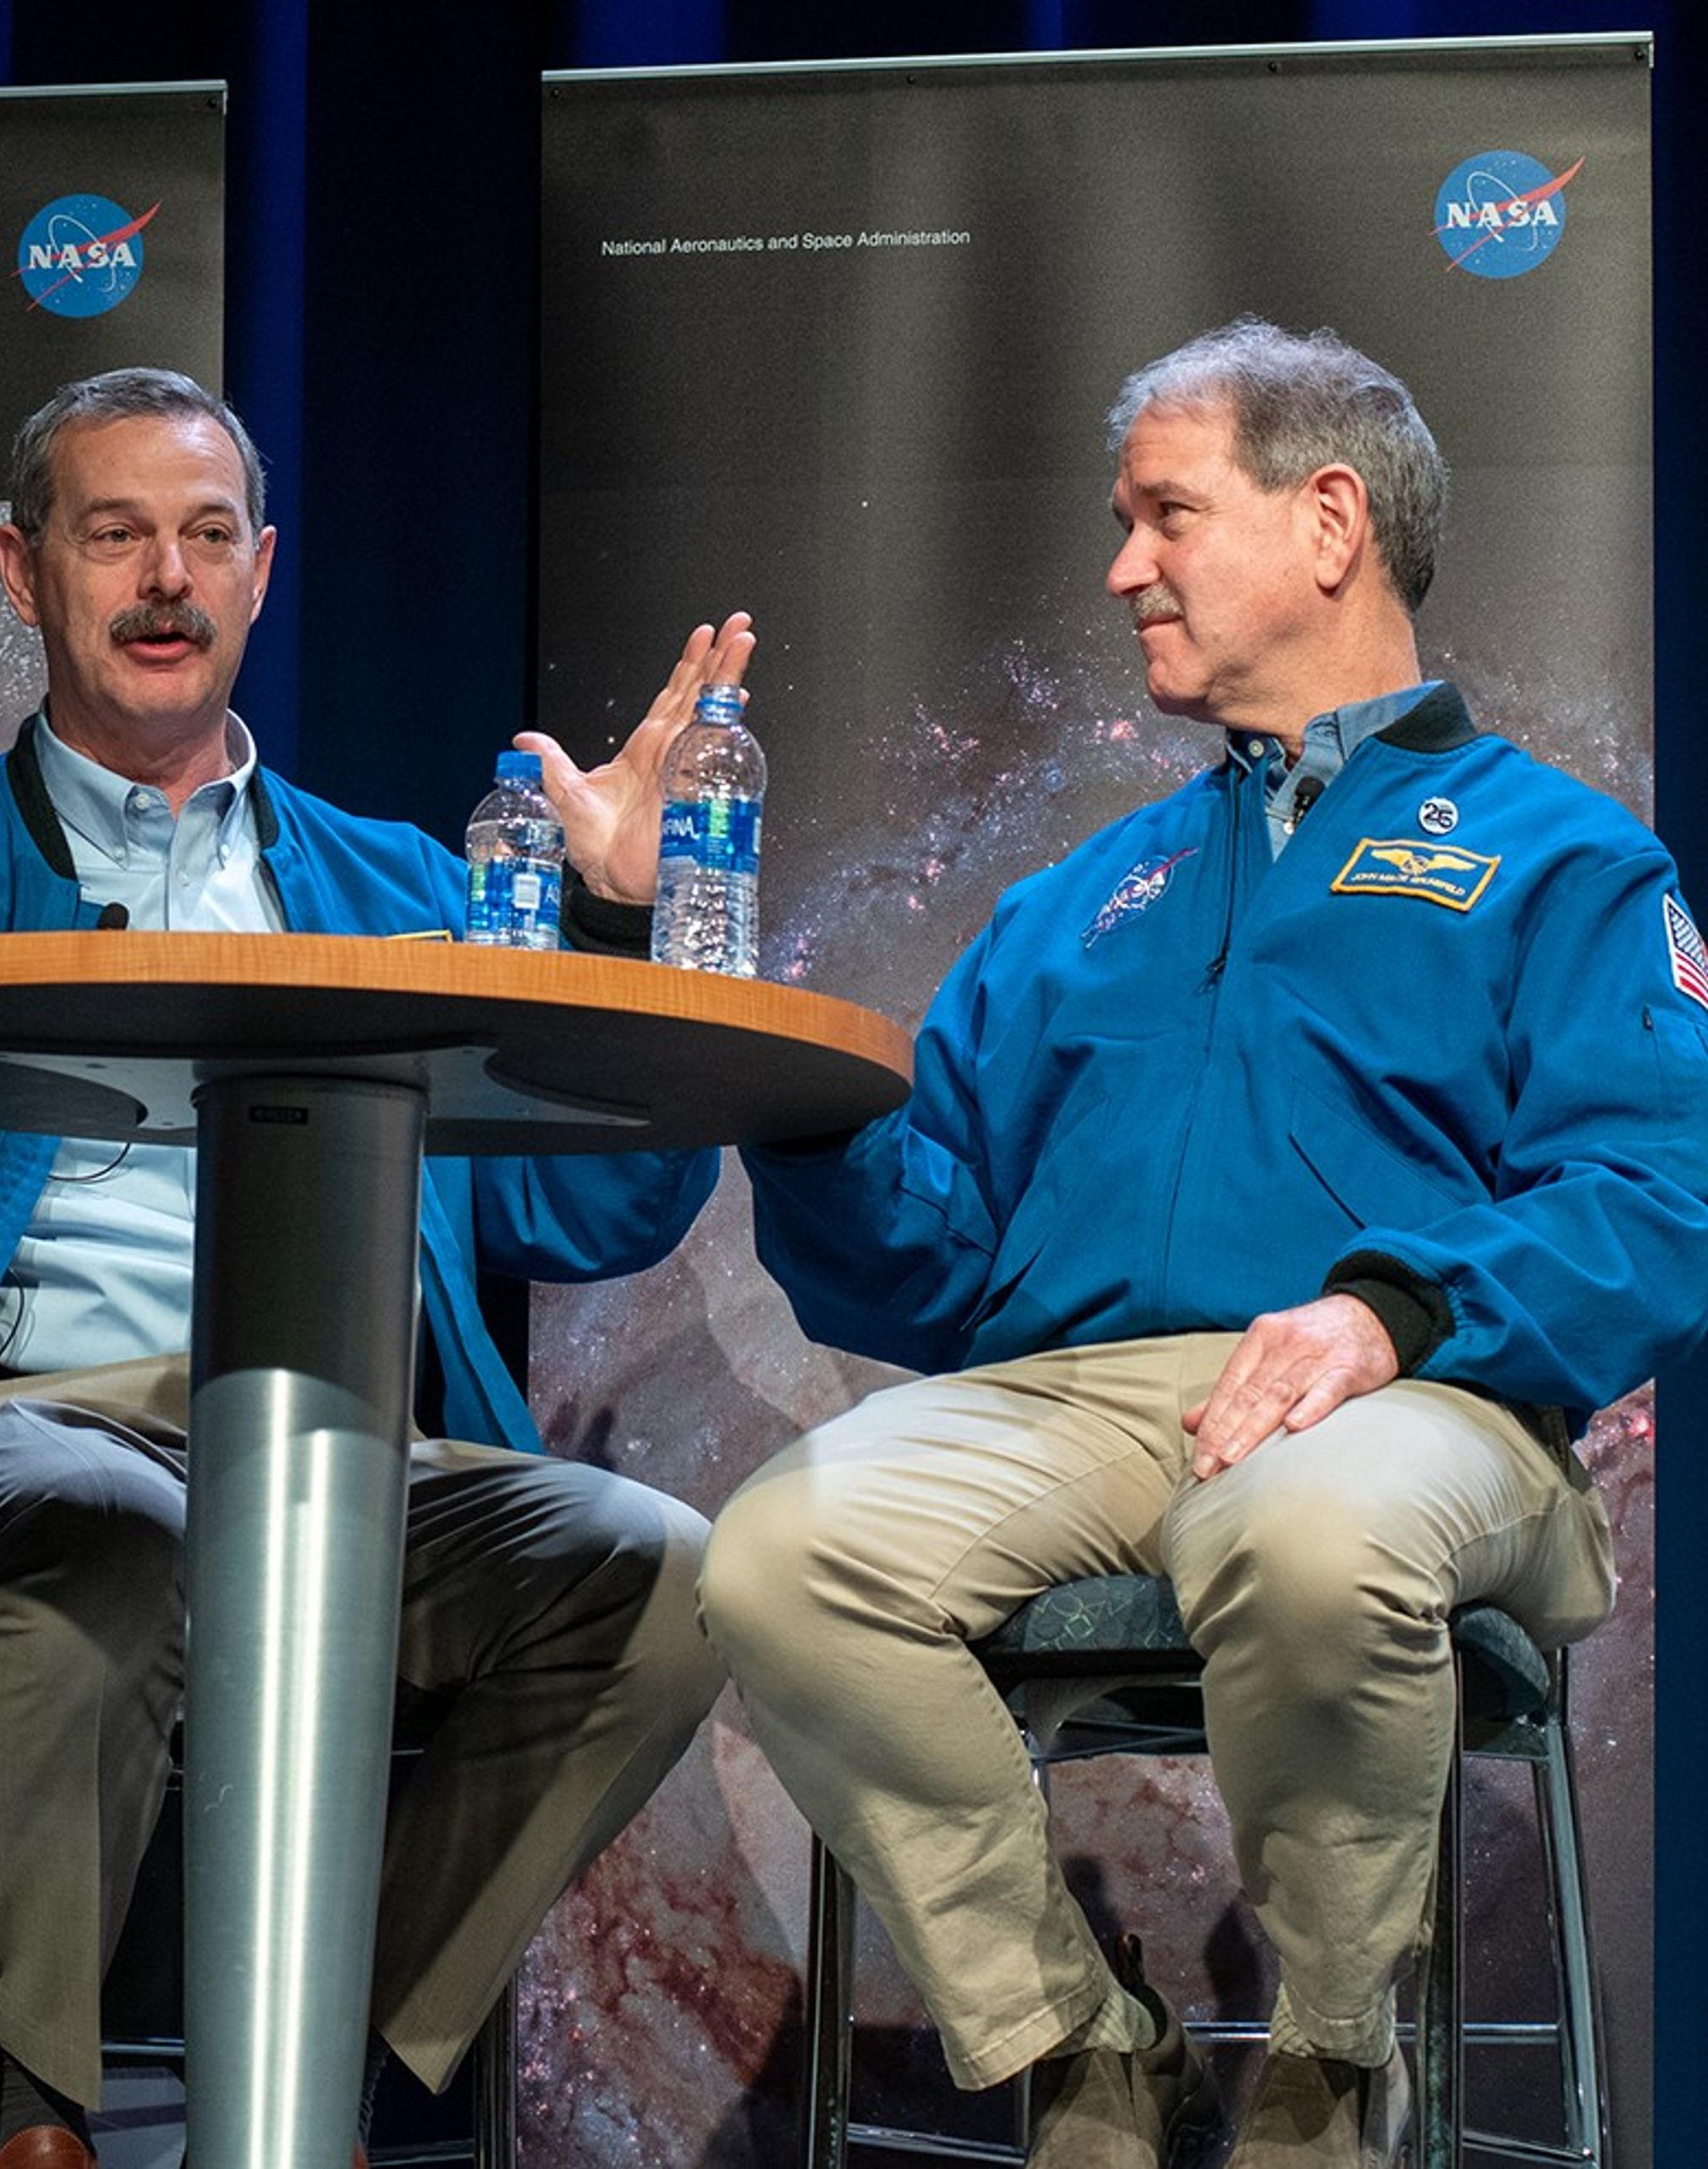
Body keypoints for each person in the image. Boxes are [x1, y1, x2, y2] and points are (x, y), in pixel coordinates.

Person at [698, 316, 1708, 2168]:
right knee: (780, 1554)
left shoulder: (1568, 863)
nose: (1120, 567)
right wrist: (810, 1121)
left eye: (1164, 513)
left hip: (1432, 1399)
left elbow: (1660, 1198)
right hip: (1084, 1407)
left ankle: (1334, 2058)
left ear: (1330, 522)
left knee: (1299, 1524)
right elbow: (928, 1277)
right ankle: (1077, 2043)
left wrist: (1392, 1312)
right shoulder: (1083, 898)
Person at [0, 366, 736, 2169]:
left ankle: (317, 2093)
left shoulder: (408, 886)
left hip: (333, 1454)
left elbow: (593, 1218)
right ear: (26, 579)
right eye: (115, 535)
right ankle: (40, 2124)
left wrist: (613, 932)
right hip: (11, 1431)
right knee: (101, 1519)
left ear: (263, 573)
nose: (165, 578)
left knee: (662, 1575)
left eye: (204, 538)